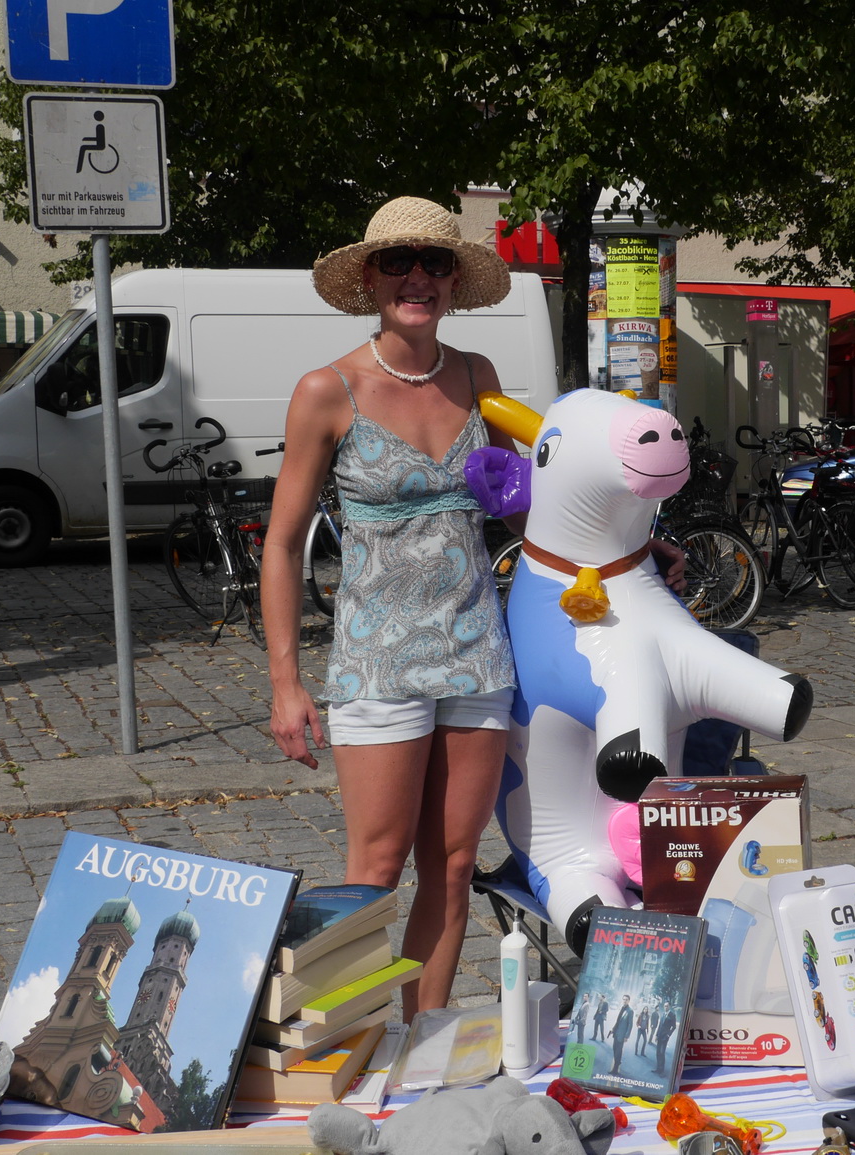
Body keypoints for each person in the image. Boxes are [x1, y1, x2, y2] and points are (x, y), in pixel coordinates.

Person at [259, 197, 689, 1016]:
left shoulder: (476, 376)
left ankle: (418, 1046)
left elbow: (524, 511)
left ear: (455, 280)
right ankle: (349, 1053)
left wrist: (624, 556)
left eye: (436, 262)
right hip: (378, 664)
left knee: (454, 865)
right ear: (370, 277)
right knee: (374, 870)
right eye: (399, 263)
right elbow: (281, 545)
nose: (418, 277)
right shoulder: (328, 390)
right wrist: (286, 682)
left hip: (476, 655)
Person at [610, 995, 634, 1073]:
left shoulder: (630, 1011)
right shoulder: (622, 1008)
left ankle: (615, 1069)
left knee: (618, 1051)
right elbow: (618, 1021)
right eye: (623, 999)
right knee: (614, 1048)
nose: (624, 1001)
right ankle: (618, 1062)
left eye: (626, 999)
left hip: (622, 1035)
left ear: (629, 1001)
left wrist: (626, 1036)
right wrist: (613, 1029)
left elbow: (630, 1024)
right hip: (616, 1033)